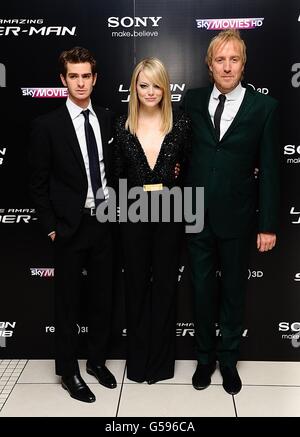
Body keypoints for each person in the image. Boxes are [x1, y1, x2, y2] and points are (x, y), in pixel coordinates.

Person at [182, 29, 280, 395]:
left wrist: (267, 223)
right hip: (194, 214)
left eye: (233, 59)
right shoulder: (191, 101)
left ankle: (228, 360)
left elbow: (270, 168)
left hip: (238, 216)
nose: (227, 67)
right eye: (219, 60)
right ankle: (204, 358)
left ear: (243, 63)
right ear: (209, 65)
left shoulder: (264, 108)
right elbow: (179, 153)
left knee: (234, 293)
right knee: (202, 291)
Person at [29, 47, 117, 403]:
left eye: (86, 76)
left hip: (105, 224)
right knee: (66, 304)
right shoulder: (45, 126)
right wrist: (52, 226)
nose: (80, 83)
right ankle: (68, 371)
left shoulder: (109, 119)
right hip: (69, 226)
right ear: (63, 80)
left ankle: (96, 361)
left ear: (95, 79)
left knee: (102, 299)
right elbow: (37, 183)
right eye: (73, 76)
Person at [114, 57, 191, 384]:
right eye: (143, 85)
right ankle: (139, 362)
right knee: (135, 287)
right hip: (133, 212)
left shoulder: (182, 123)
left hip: (171, 211)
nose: (150, 91)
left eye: (156, 85)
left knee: (163, 287)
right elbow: (116, 176)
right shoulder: (122, 125)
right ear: (134, 88)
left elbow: (189, 172)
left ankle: (160, 365)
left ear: (165, 87)